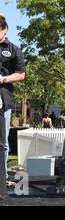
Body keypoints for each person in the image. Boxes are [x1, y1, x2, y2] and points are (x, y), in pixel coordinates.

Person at [0, 15, 25, 191]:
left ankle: (1, 178)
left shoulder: (13, 49)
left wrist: (3, 79)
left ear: (5, 30)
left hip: (3, 99)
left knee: (3, 141)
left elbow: (21, 74)